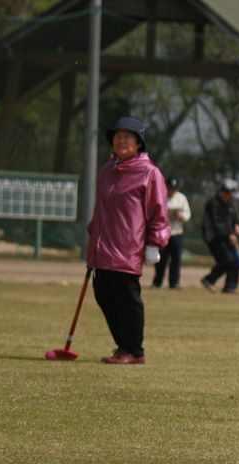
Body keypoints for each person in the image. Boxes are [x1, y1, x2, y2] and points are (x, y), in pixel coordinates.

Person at [86, 115, 169, 364]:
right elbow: (101, 207)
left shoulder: (149, 173)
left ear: (139, 143)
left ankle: (134, 350)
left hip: (128, 249)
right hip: (102, 247)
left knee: (126, 299)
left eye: (127, 136)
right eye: (117, 136)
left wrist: (155, 242)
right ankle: (124, 346)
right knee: (103, 293)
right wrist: (93, 231)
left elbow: (158, 210)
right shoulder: (106, 171)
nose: (121, 140)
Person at [200, 178, 239, 294]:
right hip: (214, 238)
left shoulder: (230, 205)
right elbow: (217, 223)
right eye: (232, 194)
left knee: (235, 261)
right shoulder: (213, 204)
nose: (233, 197)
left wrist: (237, 226)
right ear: (225, 192)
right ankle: (209, 279)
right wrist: (229, 234)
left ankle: (230, 287)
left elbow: (233, 219)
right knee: (227, 260)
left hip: (227, 237)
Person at [154, 177, 191, 289]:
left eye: (174, 189)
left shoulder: (182, 198)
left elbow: (187, 214)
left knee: (176, 259)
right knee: (161, 259)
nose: (172, 191)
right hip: (163, 233)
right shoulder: (160, 196)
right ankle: (157, 282)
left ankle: (174, 283)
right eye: (170, 188)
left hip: (177, 233)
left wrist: (181, 216)